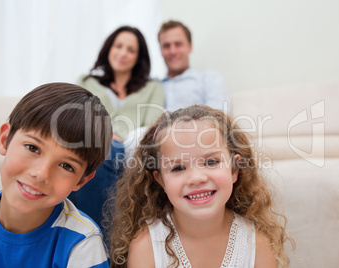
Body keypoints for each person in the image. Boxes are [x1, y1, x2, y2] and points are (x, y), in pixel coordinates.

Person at [108, 105, 292, 267]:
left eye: (211, 162)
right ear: (160, 180)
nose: (196, 178)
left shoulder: (256, 243)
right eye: (178, 167)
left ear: (235, 169)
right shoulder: (146, 246)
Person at [0, 83, 111, 267]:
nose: (41, 174)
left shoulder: (82, 243)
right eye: (32, 148)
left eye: (66, 166)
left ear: (83, 180)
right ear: (5, 139)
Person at [69, 26, 165, 228]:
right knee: (98, 149)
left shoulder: (153, 88)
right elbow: (75, 118)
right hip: (93, 141)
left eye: (131, 50)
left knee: (107, 151)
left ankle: (91, 235)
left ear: (139, 58)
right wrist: (104, 133)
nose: (123, 53)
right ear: (108, 49)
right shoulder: (86, 82)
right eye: (118, 46)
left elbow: (152, 126)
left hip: (130, 148)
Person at [158, 20, 230, 112]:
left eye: (178, 44)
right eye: (166, 46)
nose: (173, 51)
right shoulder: (154, 87)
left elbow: (219, 119)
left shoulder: (209, 79)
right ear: (160, 50)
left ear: (190, 46)